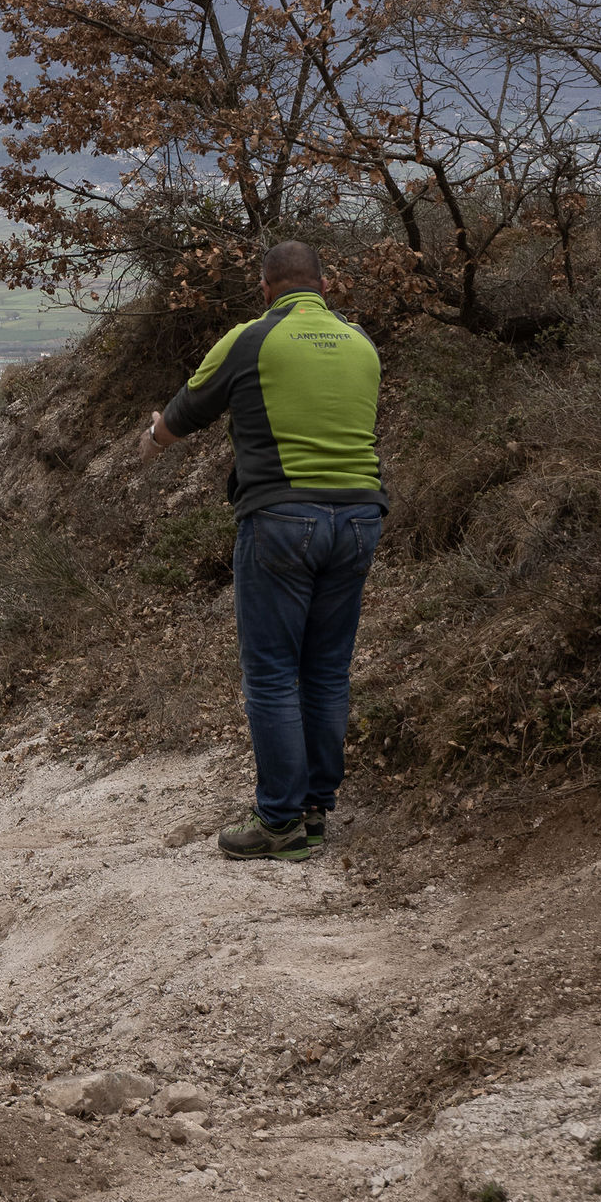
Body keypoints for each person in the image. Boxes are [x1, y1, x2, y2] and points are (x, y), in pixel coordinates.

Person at [137, 240, 385, 862]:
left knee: (273, 672)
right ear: (324, 286)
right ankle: (314, 811)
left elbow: (187, 411)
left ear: (266, 287)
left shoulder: (252, 338)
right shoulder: (361, 344)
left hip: (281, 519)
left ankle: (277, 822)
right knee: (326, 669)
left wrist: (151, 439)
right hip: (359, 519)